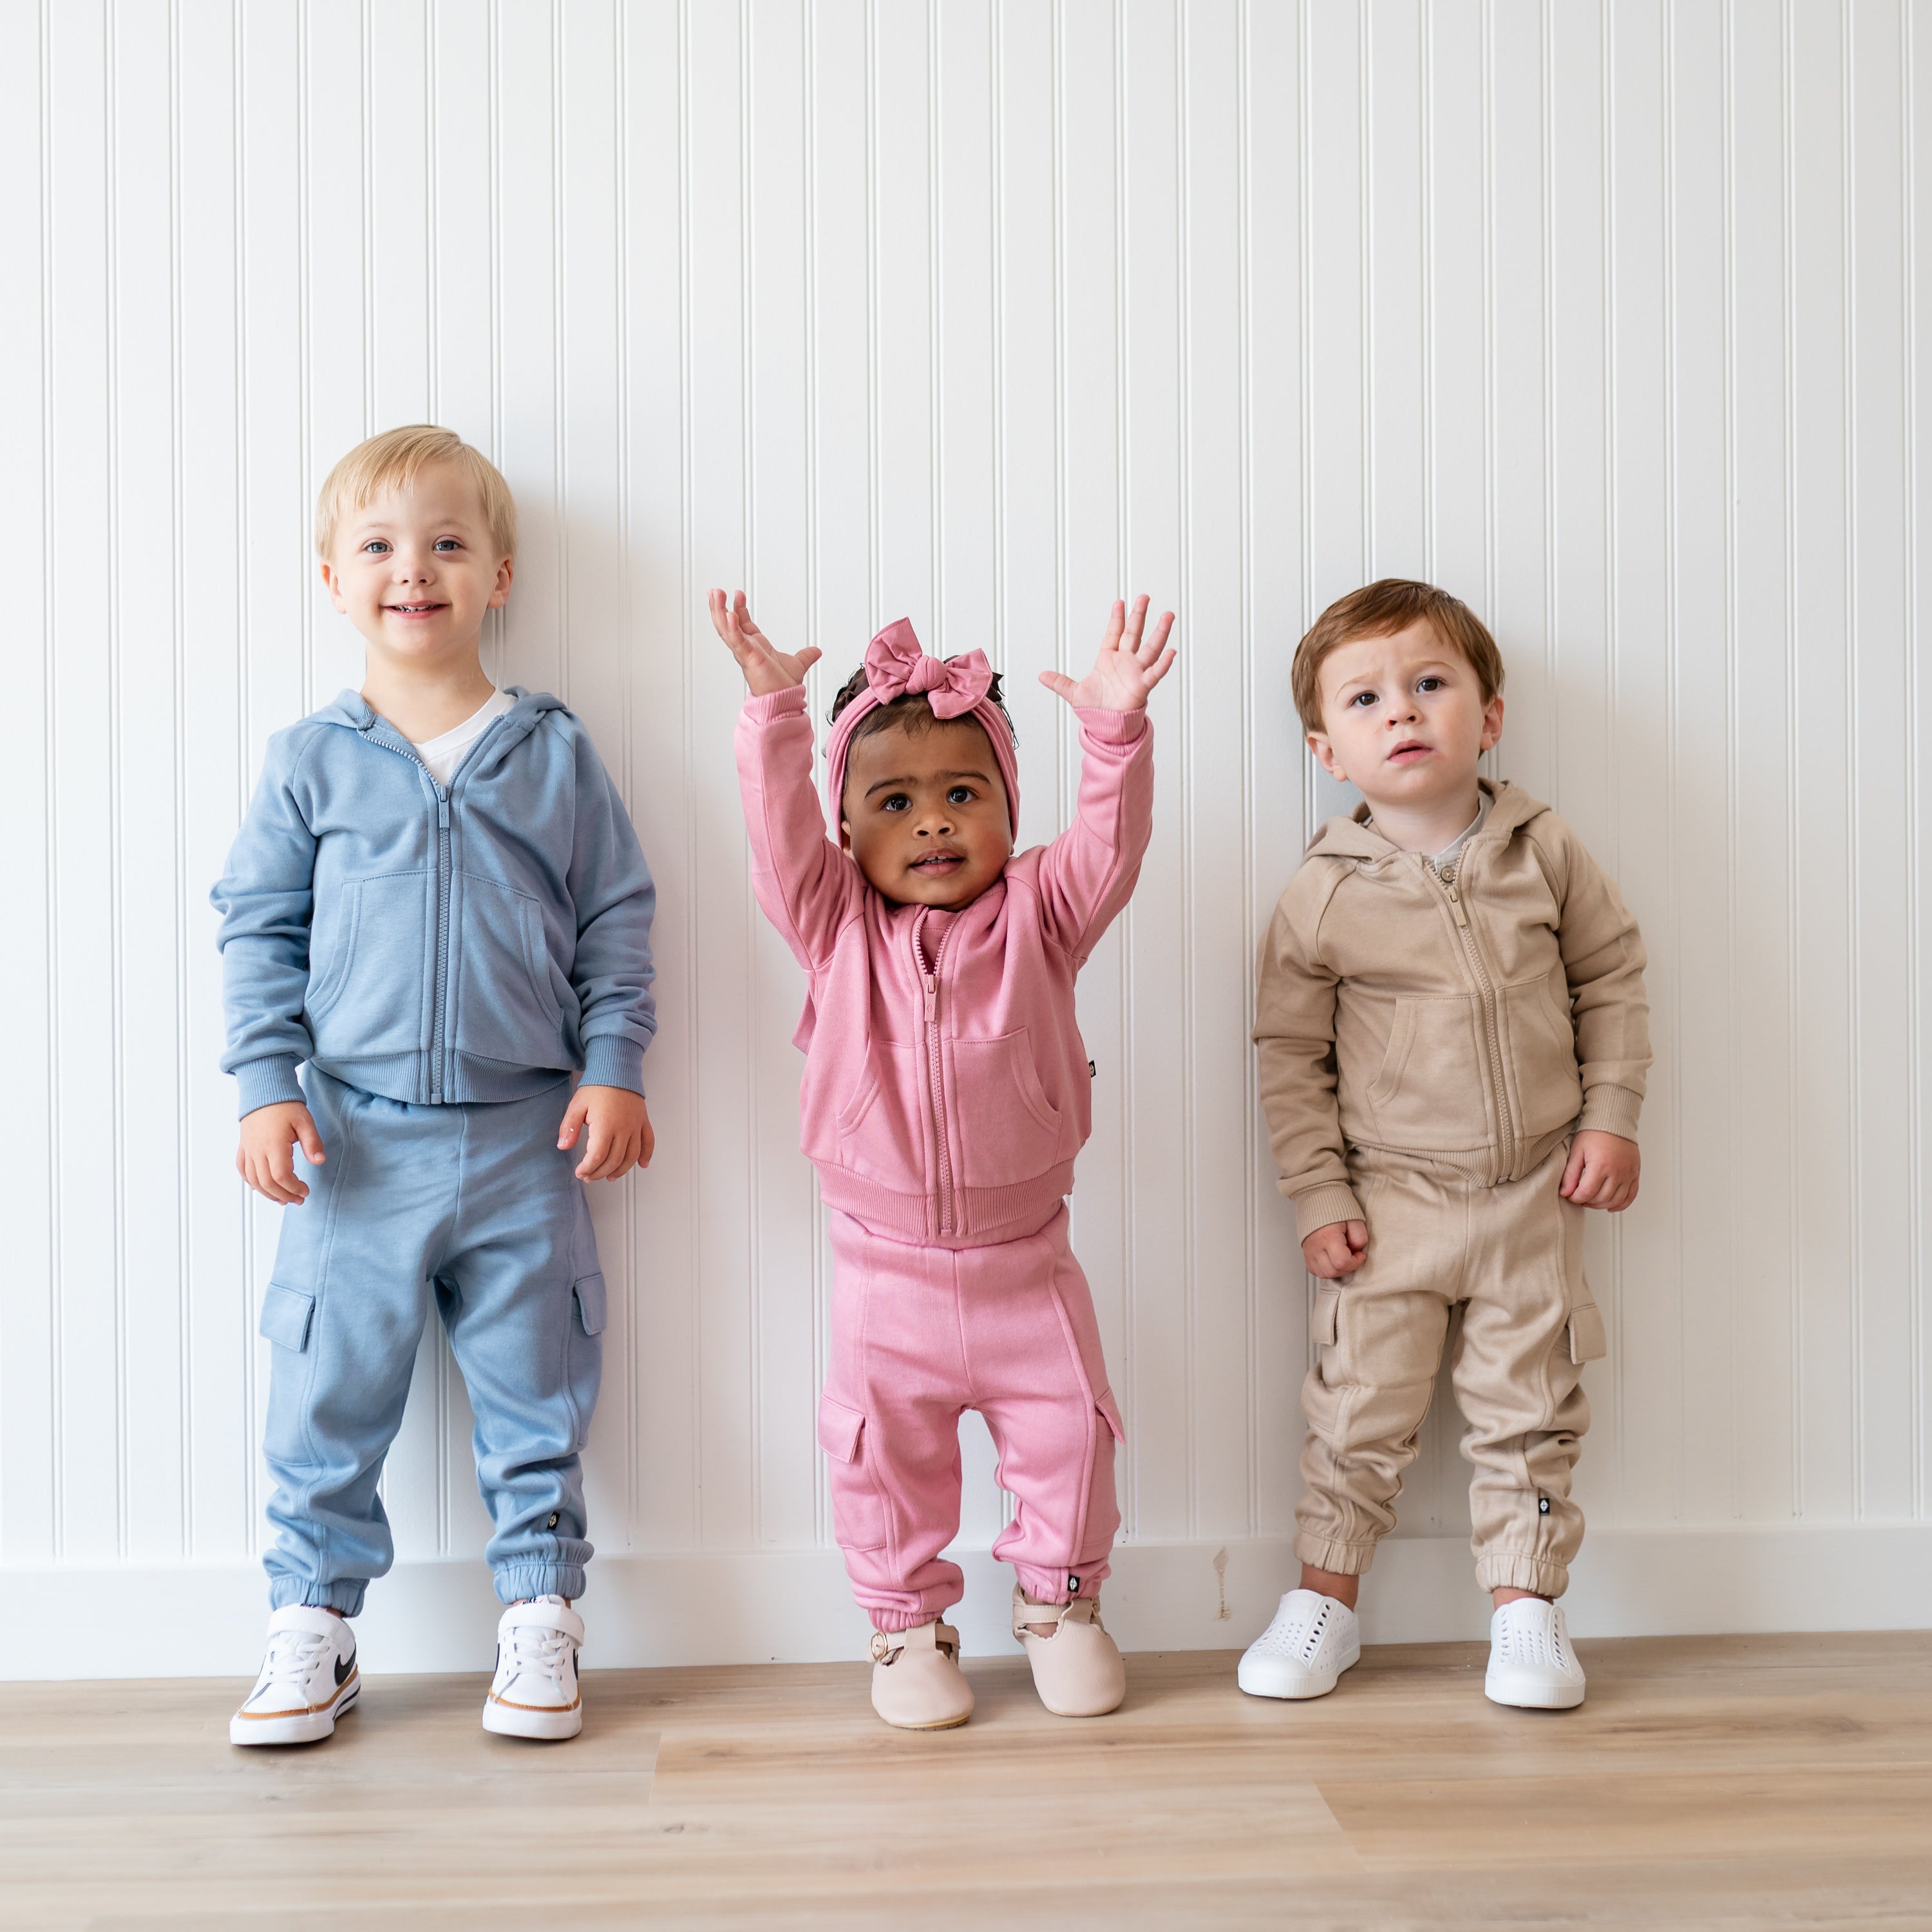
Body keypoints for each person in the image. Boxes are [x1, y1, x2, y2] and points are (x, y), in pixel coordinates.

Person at [213, 426, 656, 1746]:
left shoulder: (553, 751)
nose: (416, 570)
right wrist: (262, 1084)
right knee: (326, 1390)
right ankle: (313, 1622)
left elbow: (617, 918)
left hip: (531, 1136)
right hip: (351, 1139)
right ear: (333, 580)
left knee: (538, 1384)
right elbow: (256, 926)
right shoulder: (312, 760)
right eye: (382, 547)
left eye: (449, 544)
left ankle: (540, 1612)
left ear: (500, 575)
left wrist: (615, 1065)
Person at [713, 589, 1174, 1729]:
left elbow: (1112, 849)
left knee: (1069, 1440)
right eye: (896, 802)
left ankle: (1063, 1609)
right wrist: (775, 712)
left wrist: (1113, 732)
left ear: (1009, 813)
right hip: (886, 1276)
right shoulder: (833, 926)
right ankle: (906, 1629)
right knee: (883, 1461)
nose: (932, 824)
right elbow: (776, 847)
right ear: (847, 827)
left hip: (1029, 1263)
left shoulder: (1042, 916)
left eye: (963, 796)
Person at [1240, 579, 1649, 1710]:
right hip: (1390, 1205)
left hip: (1532, 1196)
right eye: (1367, 699)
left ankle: (1527, 1614)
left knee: (1532, 1414)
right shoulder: (1322, 894)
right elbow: (1289, 1054)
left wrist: (1610, 1117)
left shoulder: (1542, 850)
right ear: (1329, 747)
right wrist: (1318, 1194)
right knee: (1359, 1407)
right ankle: (1325, 1603)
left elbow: (1611, 977)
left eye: (1430, 684)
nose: (1403, 712)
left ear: (1490, 713)